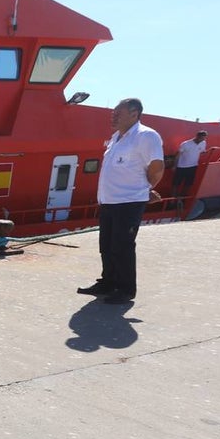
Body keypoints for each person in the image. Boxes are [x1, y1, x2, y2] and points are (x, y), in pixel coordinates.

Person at [77, 97, 164, 305]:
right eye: (113, 114)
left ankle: (125, 289)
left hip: (129, 202)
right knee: (106, 245)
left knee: (122, 246)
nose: (113, 117)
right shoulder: (117, 137)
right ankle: (108, 282)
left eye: (118, 114)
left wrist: (145, 190)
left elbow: (157, 167)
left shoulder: (146, 136)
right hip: (109, 201)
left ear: (134, 114)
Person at [172, 130, 207, 198]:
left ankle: (182, 199)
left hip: (193, 167)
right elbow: (178, 155)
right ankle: (172, 201)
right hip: (181, 167)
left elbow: (202, 151)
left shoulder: (203, 143)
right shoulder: (185, 144)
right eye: (201, 138)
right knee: (175, 184)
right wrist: (174, 166)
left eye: (204, 138)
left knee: (188, 184)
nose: (202, 140)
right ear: (197, 136)